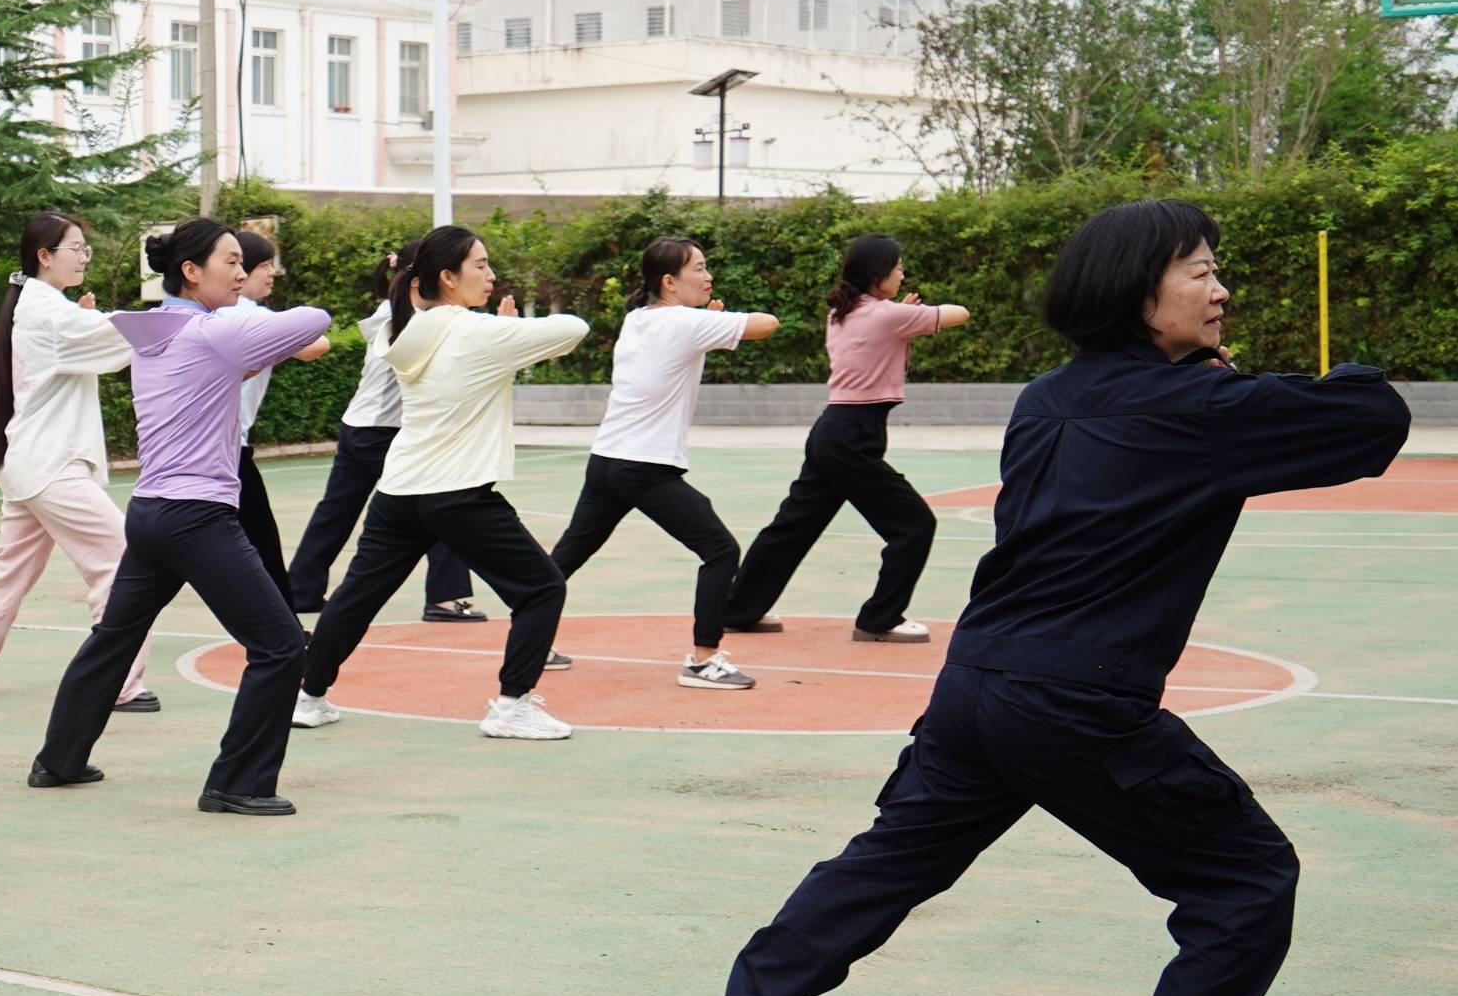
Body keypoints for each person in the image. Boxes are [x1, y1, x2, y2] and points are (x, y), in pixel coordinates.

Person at [702, 201, 1405, 996]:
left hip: (976, 682)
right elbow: (1371, 416)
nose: (1220, 288)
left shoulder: (1043, 398)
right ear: (1136, 292)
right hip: (1080, 699)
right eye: (1199, 269)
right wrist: (1225, 377)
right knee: (1245, 875)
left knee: (893, 858)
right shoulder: (1198, 408)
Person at [29, 220, 334, 810]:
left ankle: (58, 760)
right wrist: (239, 320)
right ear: (191, 271)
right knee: (279, 646)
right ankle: (237, 784)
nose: (243, 274)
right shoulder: (213, 332)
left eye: (245, 264)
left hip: (150, 513)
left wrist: (234, 327)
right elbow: (315, 320)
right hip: (197, 517)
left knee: (113, 639)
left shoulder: (155, 331)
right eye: (230, 262)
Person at [292, 228, 589, 741]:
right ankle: (512, 705)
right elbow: (575, 327)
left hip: (400, 490)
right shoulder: (477, 332)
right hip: (458, 492)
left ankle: (306, 696)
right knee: (542, 588)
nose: (491, 275)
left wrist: (503, 337)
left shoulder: (407, 332)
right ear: (448, 277)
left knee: (357, 597)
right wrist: (507, 333)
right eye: (481, 265)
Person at [0, 214, 149, 708]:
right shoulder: (47, 311)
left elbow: (92, 336)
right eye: (76, 248)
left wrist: (86, 318)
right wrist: (181, 316)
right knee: (121, 561)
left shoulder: (43, 306)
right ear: (45, 256)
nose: (84, 256)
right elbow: (118, 338)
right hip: (51, 466)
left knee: (9, 572)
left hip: (35, 463)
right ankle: (120, 683)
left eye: (86, 249)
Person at [549, 236, 782, 690]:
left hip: (606, 462)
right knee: (720, 550)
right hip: (643, 467)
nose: (708, 275)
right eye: (698, 268)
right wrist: (706, 323)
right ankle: (703, 660)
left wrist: (703, 323)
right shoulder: (682, 322)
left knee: (564, 560)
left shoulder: (638, 319)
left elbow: (674, 349)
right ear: (670, 282)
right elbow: (768, 324)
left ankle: (530, 641)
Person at [725, 232, 967, 642]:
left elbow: (881, 334)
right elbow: (958, 313)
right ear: (879, 274)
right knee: (914, 524)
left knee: (791, 527)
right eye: (898, 267)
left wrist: (900, 314)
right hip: (854, 436)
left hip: (833, 431)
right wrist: (908, 314)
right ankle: (880, 619)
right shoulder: (887, 315)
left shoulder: (844, 313)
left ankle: (738, 609)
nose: (903, 273)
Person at [282, 244, 480, 624]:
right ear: (418, 280)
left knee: (335, 513)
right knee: (440, 501)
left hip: (360, 427)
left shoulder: (389, 313)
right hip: (384, 433)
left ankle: (301, 591)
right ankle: (446, 597)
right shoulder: (410, 321)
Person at [223, 224, 294, 583]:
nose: (271, 273)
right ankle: (283, 633)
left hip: (221, 449)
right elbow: (315, 344)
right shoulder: (248, 314)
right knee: (261, 541)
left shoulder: (217, 313)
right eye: (264, 265)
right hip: (229, 452)